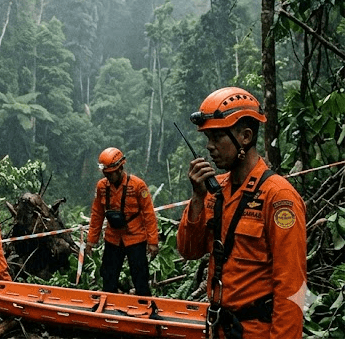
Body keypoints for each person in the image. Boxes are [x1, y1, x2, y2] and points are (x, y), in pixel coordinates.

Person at [177, 87, 307, 338]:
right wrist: (197, 198)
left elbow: (292, 286)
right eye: (208, 138)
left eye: (217, 137)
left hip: (257, 331)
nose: (210, 147)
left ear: (245, 137)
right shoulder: (215, 192)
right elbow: (189, 250)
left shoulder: (278, 197)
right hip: (219, 328)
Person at [86, 147, 159, 297]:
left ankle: (145, 305)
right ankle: (108, 304)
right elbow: (97, 214)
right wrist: (91, 241)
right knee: (108, 276)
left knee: (140, 277)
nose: (108, 177)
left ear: (120, 169)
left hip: (136, 237)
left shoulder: (138, 185)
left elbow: (149, 214)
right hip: (113, 237)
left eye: (111, 173)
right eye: (105, 174)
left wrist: (153, 242)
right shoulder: (102, 186)